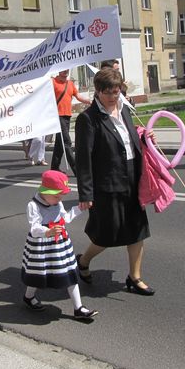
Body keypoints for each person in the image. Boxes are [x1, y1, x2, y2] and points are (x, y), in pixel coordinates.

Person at [74, 67, 155, 295]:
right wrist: (85, 194)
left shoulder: (125, 110)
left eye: (116, 91)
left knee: (138, 230)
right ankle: (83, 261)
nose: (113, 96)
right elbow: (83, 159)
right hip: (107, 184)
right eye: (108, 92)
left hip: (132, 178)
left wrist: (145, 140)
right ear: (97, 91)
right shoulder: (87, 119)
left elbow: (129, 141)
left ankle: (135, 277)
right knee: (106, 235)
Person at [21, 170, 97, 319]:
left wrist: (78, 209)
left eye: (61, 196)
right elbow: (34, 228)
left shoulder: (57, 202)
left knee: (69, 272)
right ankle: (28, 296)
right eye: (56, 196)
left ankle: (78, 308)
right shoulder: (33, 205)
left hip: (60, 243)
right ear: (44, 191)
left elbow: (65, 218)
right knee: (38, 273)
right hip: (41, 246)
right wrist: (47, 231)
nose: (59, 199)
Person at [50, 70, 91, 175]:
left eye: (67, 70)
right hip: (57, 116)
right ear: (58, 70)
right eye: (63, 70)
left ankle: (54, 167)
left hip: (67, 116)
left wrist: (90, 101)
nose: (65, 71)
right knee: (67, 142)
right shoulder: (52, 82)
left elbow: (78, 96)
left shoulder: (70, 84)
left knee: (60, 143)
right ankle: (76, 169)